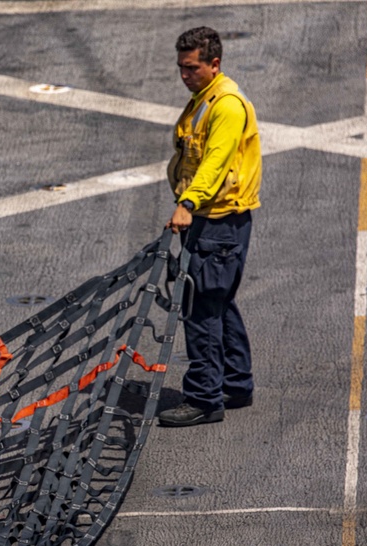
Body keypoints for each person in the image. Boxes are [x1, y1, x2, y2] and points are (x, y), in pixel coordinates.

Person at [158, 26, 262, 427]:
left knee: (201, 311)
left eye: (192, 68)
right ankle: (235, 385)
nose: (185, 75)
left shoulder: (227, 106)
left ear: (213, 64)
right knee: (219, 302)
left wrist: (187, 203)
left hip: (217, 224)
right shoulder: (205, 98)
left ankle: (204, 398)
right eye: (181, 68)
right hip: (215, 222)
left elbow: (215, 164)